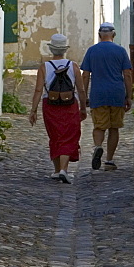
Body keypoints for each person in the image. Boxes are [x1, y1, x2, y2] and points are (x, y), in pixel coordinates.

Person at [28, 33, 86, 184]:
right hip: (70, 105)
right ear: (64, 49)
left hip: (50, 105)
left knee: (55, 135)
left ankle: (56, 170)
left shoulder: (44, 67)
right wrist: (83, 108)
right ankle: (63, 170)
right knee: (70, 135)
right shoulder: (73, 66)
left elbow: (38, 90)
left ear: (52, 49)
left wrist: (33, 110)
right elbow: (81, 90)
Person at [80, 22, 132, 171]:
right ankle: (109, 160)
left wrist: (84, 96)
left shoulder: (92, 51)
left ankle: (97, 147)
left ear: (99, 35)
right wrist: (129, 96)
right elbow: (127, 74)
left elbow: (85, 75)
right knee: (114, 127)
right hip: (117, 93)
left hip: (98, 93)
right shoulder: (121, 51)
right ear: (113, 35)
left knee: (99, 126)